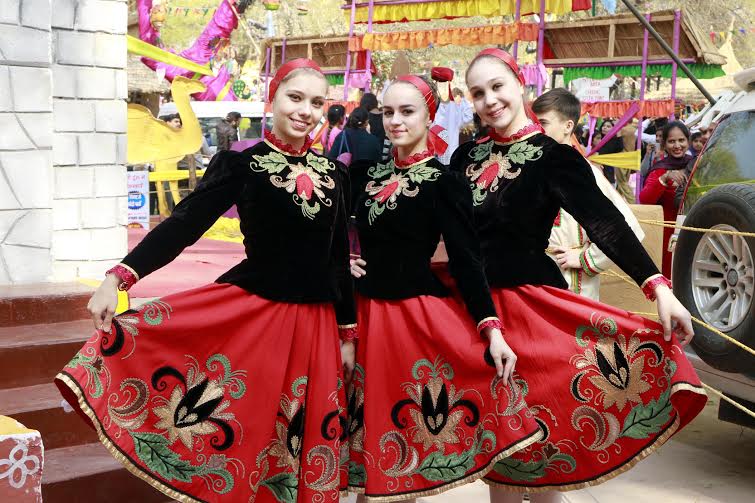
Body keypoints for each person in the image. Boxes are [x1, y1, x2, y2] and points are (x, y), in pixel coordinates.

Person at [55, 59, 356, 503]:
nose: (305, 111)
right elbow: (183, 224)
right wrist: (118, 277)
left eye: (316, 102)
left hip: (316, 330)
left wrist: (347, 332)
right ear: (271, 98)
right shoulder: (242, 165)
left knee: (299, 440)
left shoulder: (335, 175)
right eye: (295, 98)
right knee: (246, 433)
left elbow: (336, 262)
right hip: (257, 321)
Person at [452, 48, 706, 503]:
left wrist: (659, 289)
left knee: (544, 442)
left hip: (533, 313)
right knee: (500, 451)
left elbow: (605, 222)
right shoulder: (465, 157)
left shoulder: (554, 157)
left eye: (497, 86)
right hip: (473, 310)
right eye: (478, 92)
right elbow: (444, 233)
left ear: (520, 84)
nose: (490, 100)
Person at [347, 74, 541, 502]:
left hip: (410, 325)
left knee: (402, 447)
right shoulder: (364, 175)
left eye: (407, 111)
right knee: (363, 450)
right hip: (361, 319)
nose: (395, 121)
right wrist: (338, 258)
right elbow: (320, 228)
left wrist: (491, 329)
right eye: (388, 112)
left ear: (428, 115)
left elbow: (466, 260)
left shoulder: (444, 182)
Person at [533, 88, 644, 301]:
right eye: (534, 123)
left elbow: (629, 228)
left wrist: (587, 258)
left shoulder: (586, 172)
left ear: (568, 126)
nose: (536, 130)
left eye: (543, 123)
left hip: (573, 282)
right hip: (534, 280)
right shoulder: (531, 169)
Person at [639, 121, 693, 277]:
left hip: (694, 229)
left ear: (687, 141)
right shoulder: (660, 169)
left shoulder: (697, 165)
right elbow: (645, 199)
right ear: (664, 144)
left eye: (681, 140)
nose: (677, 145)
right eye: (671, 141)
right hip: (667, 236)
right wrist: (665, 178)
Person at [432, 67, 474, 164]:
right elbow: (468, 118)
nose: (440, 87)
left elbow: (467, 118)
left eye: (443, 84)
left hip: (447, 149)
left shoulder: (456, 104)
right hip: (438, 150)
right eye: (439, 84)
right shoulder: (455, 104)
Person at [361, 92, 391, 160]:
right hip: (385, 153)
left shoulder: (366, 118)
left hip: (370, 154)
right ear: (375, 102)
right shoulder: (386, 116)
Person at [597, 118, 623, 184]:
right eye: (604, 126)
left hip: (608, 171)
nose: (605, 128)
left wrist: (618, 128)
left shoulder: (613, 141)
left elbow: (620, 148)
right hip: (596, 169)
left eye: (608, 126)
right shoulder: (597, 138)